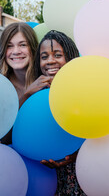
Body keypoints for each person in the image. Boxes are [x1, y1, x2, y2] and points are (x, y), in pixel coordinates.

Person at [33, 30, 85, 196]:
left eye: (57, 55)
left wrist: (74, 155)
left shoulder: (82, 90)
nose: (50, 61)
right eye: (44, 56)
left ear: (69, 58)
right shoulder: (35, 93)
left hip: (80, 173)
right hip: (44, 177)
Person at [0, 22, 52, 144]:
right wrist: (26, 96)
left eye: (22, 45)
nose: (16, 51)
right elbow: (4, 139)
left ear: (33, 49)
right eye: (9, 46)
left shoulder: (47, 81)